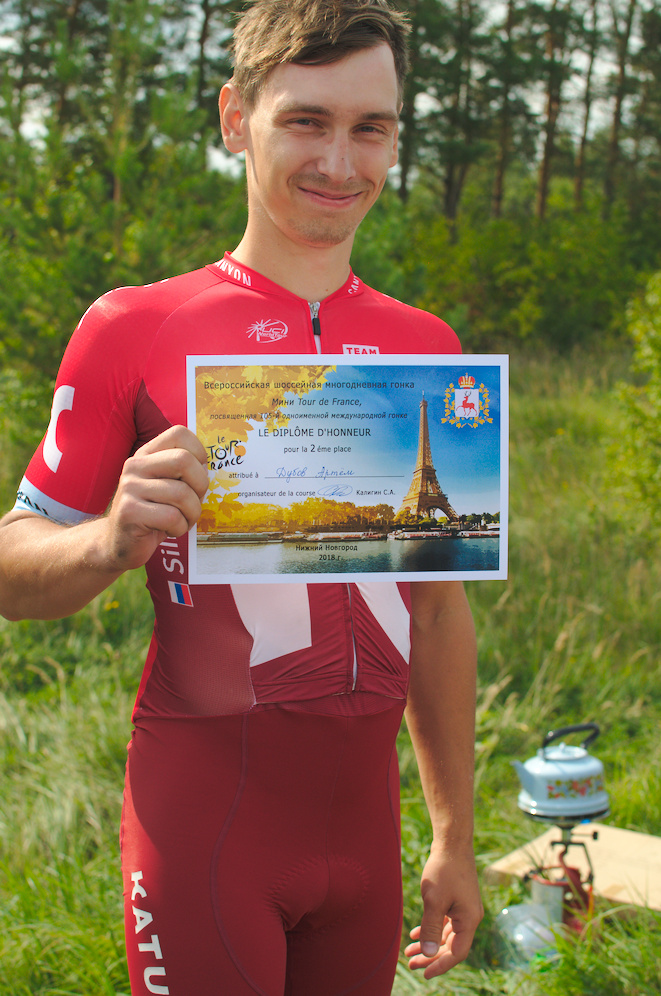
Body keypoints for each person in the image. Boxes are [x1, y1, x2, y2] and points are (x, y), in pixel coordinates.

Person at [0, 1, 483, 993]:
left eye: (370, 127)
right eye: (306, 120)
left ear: (396, 136)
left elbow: (436, 614)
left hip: (365, 834)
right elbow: (12, 569)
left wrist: (453, 836)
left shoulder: (426, 348)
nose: (339, 162)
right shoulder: (133, 327)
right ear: (235, 119)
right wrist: (106, 539)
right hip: (205, 824)